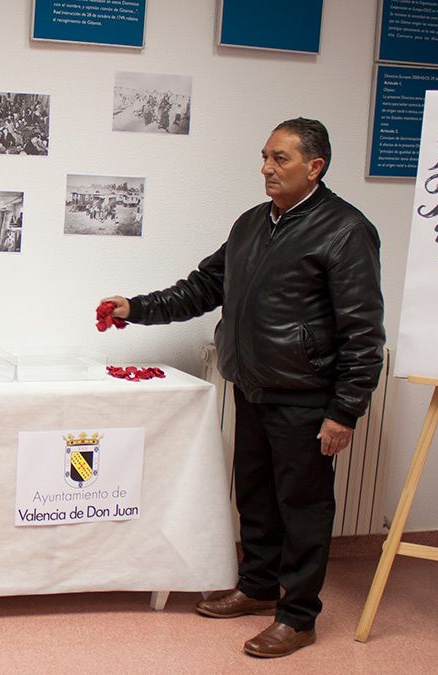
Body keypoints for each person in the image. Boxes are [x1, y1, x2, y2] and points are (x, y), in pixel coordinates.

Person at [102, 118, 384, 658]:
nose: (266, 169)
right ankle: (257, 589)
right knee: (254, 496)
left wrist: (345, 409)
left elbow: (363, 330)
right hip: (252, 385)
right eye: (264, 157)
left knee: (302, 507)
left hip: (306, 395)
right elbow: (202, 288)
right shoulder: (252, 224)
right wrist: (135, 308)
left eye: (280, 159)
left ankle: (298, 616)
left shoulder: (345, 230)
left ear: (315, 167)